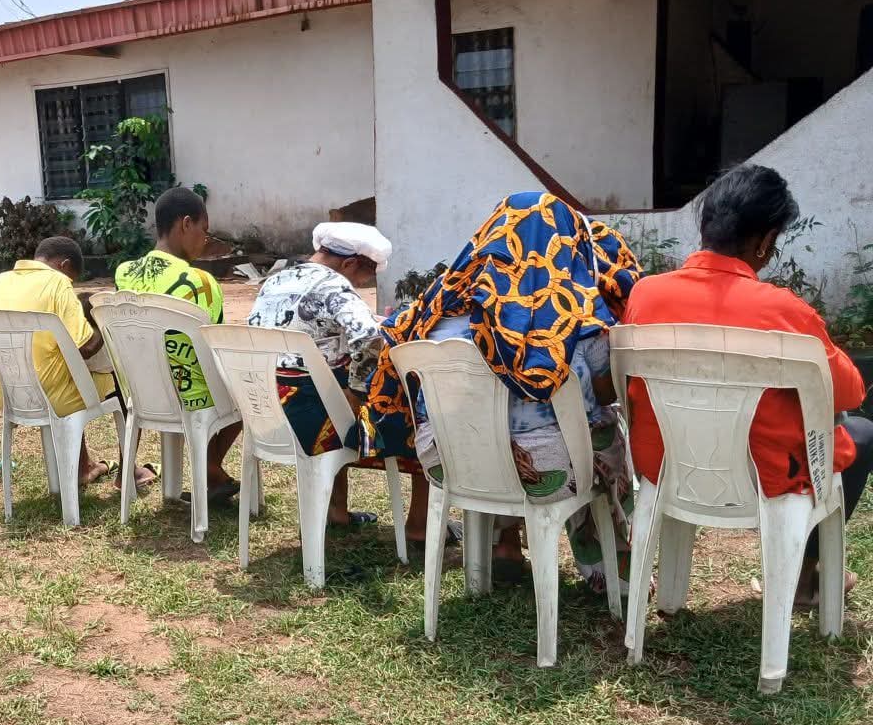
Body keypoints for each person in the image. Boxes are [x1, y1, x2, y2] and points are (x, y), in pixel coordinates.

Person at [364, 192, 642, 590]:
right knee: (595, 426)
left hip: (448, 460)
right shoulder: (578, 315)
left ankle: (502, 546)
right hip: (547, 469)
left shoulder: (436, 309)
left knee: (497, 431)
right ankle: (607, 567)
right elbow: (604, 392)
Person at [624, 164, 871, 604]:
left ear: (705, 227)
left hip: (669, 467)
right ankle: (804, 578)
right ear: (764, 241)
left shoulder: (645, 294)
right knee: (861, 431)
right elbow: (850, 392)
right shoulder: (784, 311)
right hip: (763, 477)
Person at [248, 222, 392, 525]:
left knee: (330, 381)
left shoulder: (274, 281)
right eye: (362, 280)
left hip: (263, 411)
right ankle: (420, 522)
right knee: (392, 406)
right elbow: (370, 339)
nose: (361, 288)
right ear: (349, 263)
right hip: (311, 421)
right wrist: (355, 393)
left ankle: (337, 512)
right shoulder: (334, 286)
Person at [0, 235, 156, 489]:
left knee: (65, 368)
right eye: (72, 278)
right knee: (123, 374)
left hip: (10, 395)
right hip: (55, 397)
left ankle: (84, 467)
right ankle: (129, 472)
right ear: (64, 265)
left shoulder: (1, 280)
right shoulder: (58, 282)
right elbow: (85, 347)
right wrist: (100, 320)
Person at [115, 187, 241, 500]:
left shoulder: (123, 274)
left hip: (142, 392)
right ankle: (211, 463)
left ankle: (209, 468)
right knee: (247, 386)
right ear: (186, 224)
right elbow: (214, 344)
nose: (205, 240)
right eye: (205, 230)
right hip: (191, 397)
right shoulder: (200, 282)